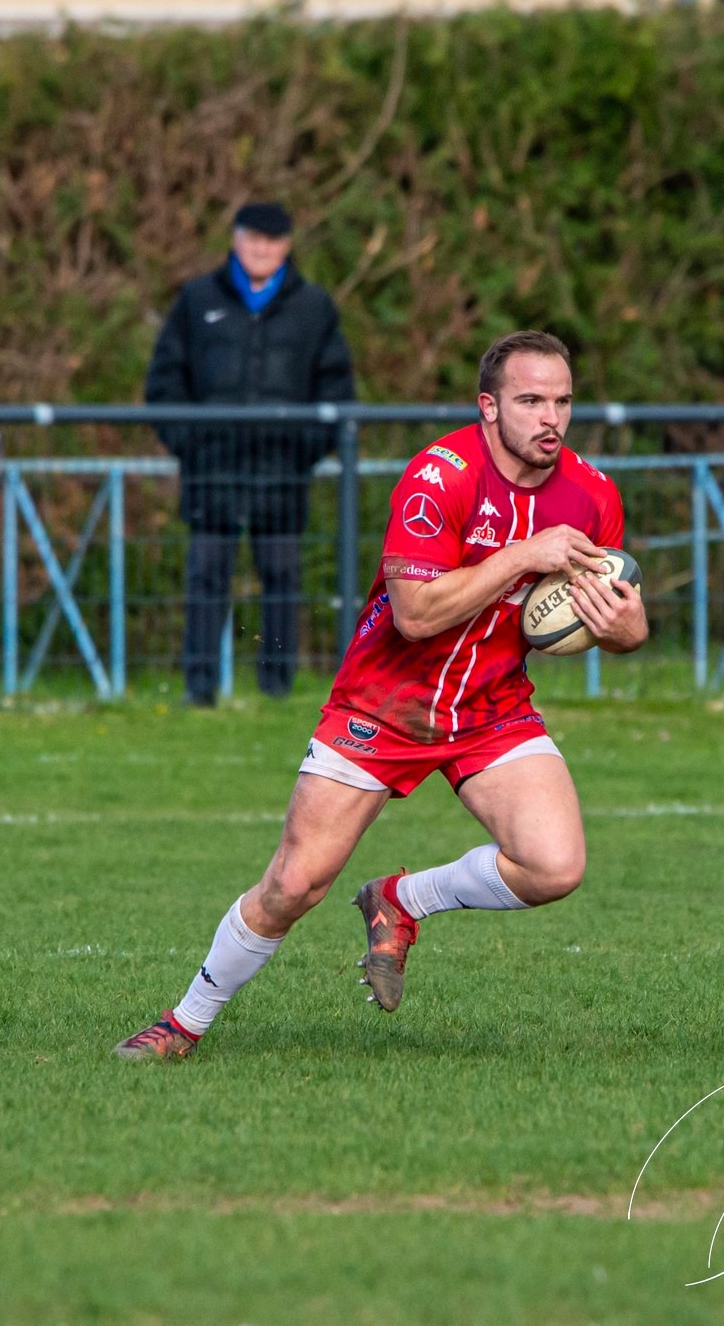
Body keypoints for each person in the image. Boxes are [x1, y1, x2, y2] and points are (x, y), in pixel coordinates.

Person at [114, 331, 647, 1060]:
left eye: (562, 401)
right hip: (383, 704)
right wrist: (525, 553)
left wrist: (625, 625)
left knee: (555, 865)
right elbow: (415, 613)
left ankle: (402, 899)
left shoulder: (592, 494)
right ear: (488, 407)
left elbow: (621, 618)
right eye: (530, 400)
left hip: (491, 708)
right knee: (293, 885)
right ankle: (183, 1023)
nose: (549, 417)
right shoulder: (441, 476)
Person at [144, 201, 356, 706]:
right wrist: (190, 444)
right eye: (252, 238)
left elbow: (337, 388)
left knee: (282, 577)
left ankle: (276, 686)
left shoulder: (313, 307)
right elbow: (165, 381)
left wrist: (303, 450)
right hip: (211, 470)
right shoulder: (196, 300)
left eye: (272, 240)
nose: (262, 249)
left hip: (281, 473)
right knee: (206, 576)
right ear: (236, 240)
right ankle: (199, 688)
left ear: (287, 245)